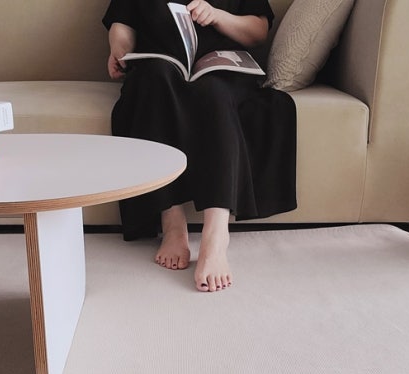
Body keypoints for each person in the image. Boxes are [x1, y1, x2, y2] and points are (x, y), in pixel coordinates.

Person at [103, 0, 297, 293]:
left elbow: (258, 30)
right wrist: (120, 51)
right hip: (160, 68)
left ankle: (216, 235)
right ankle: (172, 223)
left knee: (213, 91)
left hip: (222, 69)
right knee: (153, 80)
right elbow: (122, 25)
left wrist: (217, 16)